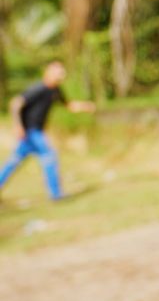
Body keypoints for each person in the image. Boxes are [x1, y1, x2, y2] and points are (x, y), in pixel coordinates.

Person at [0, 61, 96, 202]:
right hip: (31, 131)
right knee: (49, 155)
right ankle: (56, 194)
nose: (61, 76)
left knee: (14, 161)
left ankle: (55, 193)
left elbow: (69, 105)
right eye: (58, 73)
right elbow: (16, 103)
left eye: (62, 73)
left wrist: (85, 106)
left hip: (33, 133)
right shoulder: (38, 88)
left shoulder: (55, 90)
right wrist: (18, 126)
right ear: (48, 73)